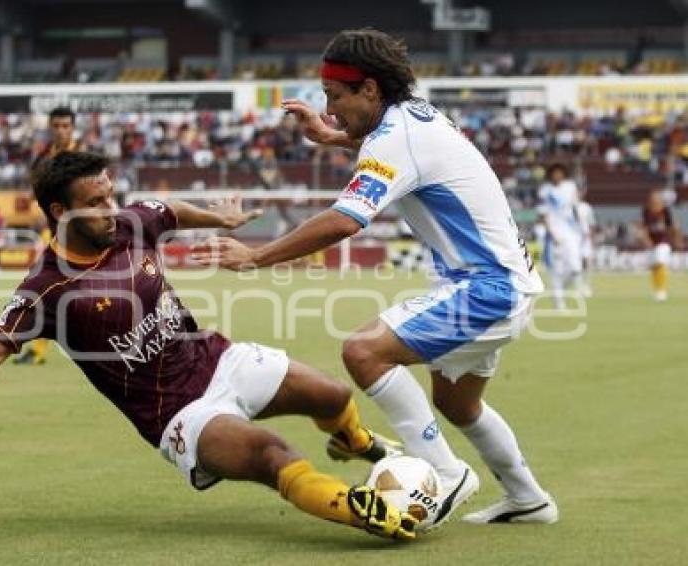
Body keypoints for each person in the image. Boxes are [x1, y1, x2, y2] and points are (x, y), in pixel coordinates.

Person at [0, 151, 417, 542]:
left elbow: (165, 209)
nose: (111, 209)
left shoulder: (127, 224)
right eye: (95, 202)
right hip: (178, 413)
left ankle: (354, 441)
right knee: (272, 454)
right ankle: (363, 511)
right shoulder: (47, 287)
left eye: (110, 195)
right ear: (59, 211)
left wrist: (220, 219)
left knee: (330, 396)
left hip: (216, 358)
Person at [193, 28, 557, 526]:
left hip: (487, 288)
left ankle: (444, 474)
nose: (329, 107)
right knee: (457, 403)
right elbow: (385, 149)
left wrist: (256, 257)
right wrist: (332, 136)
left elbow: (345, 220)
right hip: (501, 283)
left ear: (370, 89)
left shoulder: (395, 138)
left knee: (363, 350)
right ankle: (528, 498)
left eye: (335, 97)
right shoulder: (413, 117)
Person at [14, 106, 84, 366]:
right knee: (44, 287)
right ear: (50, 127)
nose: (61, 131)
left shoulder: (85, 155)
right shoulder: (43, 158)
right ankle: (39, 349)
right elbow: (38, 191)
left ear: (73, 128)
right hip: (58, 234)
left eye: (66, 126)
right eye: (57, 126)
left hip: (85, 234)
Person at [538, 163, 584, 309]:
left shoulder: (570, 187)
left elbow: (575, 207)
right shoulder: (545, 191)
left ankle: (562, 289)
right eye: (554, 173)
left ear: (564, 174)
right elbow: (544, 214)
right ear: (550, 175)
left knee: (575, 268)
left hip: (571, 231)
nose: (557, 176)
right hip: (555, 233)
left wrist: (580, 226)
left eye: (560, 173)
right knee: (556, 269)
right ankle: (558, 300)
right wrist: (551, 233)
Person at [641, 190, 680, 302]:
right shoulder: (646, 211)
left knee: (661, 262)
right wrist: (646, 240)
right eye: (652, 198)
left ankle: (662, 290)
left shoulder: (665, 211)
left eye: (656, 198)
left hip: (663, 241)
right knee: (654, 266)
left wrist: (676, 239)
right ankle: (657, 289)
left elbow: (671, 226)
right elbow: (644, 227)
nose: (654, 200)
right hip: (651, 243)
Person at [575, 190, 596, 297]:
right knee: (576, 264)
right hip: (573, 239)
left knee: (587, 263)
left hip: (585, 238)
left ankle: (587, 286)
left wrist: (591, 239)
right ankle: (578, 286)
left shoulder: (586, 207)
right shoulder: (569, 207)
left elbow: (591, 223)